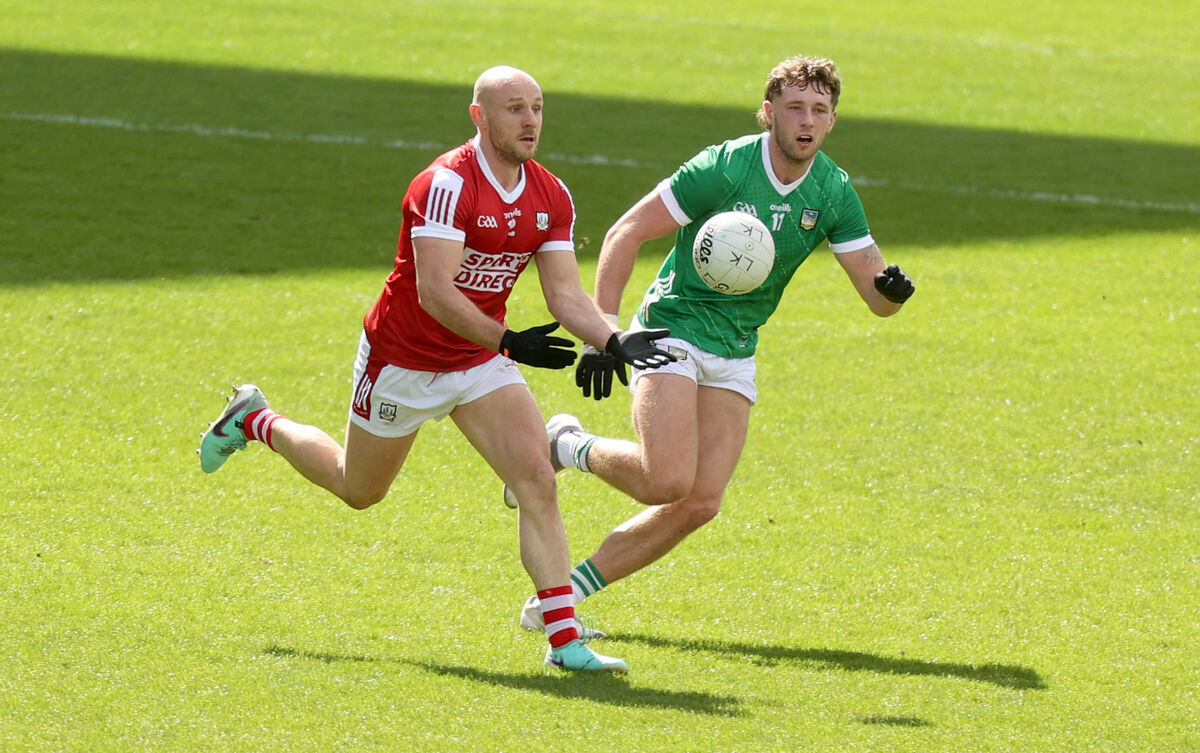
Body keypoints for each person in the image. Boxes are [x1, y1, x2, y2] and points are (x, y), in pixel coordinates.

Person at [197, 65, 675, 673]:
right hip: (405, 360)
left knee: (536, 479)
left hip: (478, 362)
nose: (529, 120)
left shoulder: (551, 195)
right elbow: (435, 292)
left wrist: (613, 338)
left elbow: (564, 295)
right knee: (357, 489)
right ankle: (255, 419)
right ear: (479, 116)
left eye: (536, 107)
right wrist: (509, 341)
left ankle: (564, 643)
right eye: (514, 108)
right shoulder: (446, 184)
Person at [509, 55, 916, 635]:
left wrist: (893, 292)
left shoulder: (832, 191)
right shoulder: (724, 167)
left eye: (819, 110)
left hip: (735, 348)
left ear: (832, 120)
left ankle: (563, 596)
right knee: (665, 480)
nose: (806, 120)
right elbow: (626, 232)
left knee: (700, 502)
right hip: (671, 329)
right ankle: (567, 445)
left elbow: (877, 299)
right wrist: (604, 332)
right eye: (794, 108)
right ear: (769, 112)